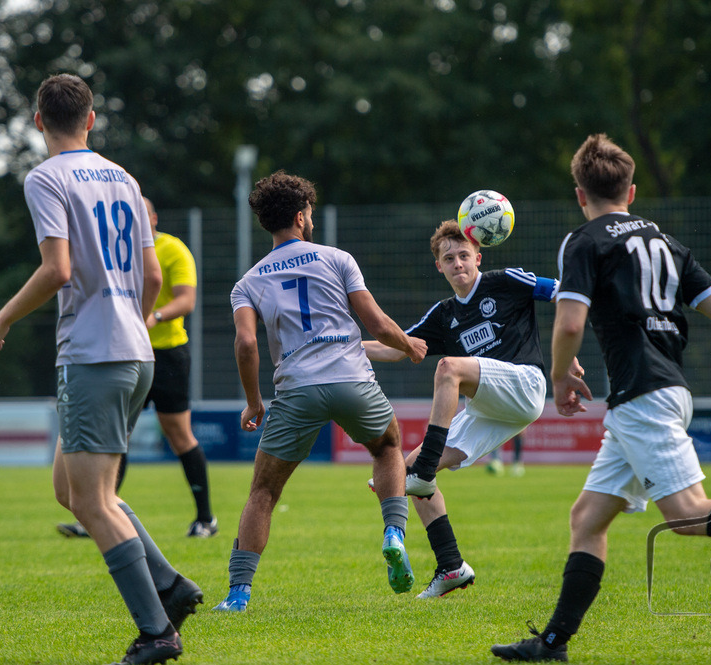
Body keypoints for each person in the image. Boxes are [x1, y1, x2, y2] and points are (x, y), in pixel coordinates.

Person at [491, 133, 711, 663]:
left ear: (580, 194)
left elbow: (568, 324)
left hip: (642, 398)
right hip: (667, 390)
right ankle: (552, 643)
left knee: (686, 513)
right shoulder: (667, 243)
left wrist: (560, 377)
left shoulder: (584, 240)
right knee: (587, 518)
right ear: (631, 192)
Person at [0, 74, 201, 665]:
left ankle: (157, 630)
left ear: (37, 122)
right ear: (92, 119)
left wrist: (1, 319)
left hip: (94, 354)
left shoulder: (46, 178)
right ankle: (172, 587)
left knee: (94, 502)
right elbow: (153, 277)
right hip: (136, 352)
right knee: (75, 493)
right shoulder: (124, 178)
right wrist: (134, 320)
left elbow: (57, 269)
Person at [212, 171, 427, 612]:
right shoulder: (336, 258)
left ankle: (238, 594)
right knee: (387, 447)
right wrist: (410, 345)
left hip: (296, 391)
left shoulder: (247, 283)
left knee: (264, 493)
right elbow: (378, 324)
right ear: (300, 216)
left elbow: (247, 343)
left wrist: (254, 402)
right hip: (352, 380)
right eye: (308, 213)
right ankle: (393, 533)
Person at [365, 220, 576, 599]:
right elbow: (399, 348)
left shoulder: (505, 281)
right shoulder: (443, 314)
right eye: (449, 258)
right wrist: (343, 348)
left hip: (526, 384)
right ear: (439, 266)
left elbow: (565, 295)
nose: (458, 263)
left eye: (464, 255)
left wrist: (568, 357)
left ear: (478, 257)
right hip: (488, 409)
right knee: (408, 474)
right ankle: (451, 566)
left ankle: (425, 468)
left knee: (449, 367)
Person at [56, 197, 217, 539]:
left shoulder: (172, 249)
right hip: (124, 351)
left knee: (178, 435)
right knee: (117, 436)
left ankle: (205, 519)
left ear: (154, 217)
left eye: (140, 214)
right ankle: (100, 514)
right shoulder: (113, 252)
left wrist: (151, 317)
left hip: (167, 354)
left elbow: (186, 299)